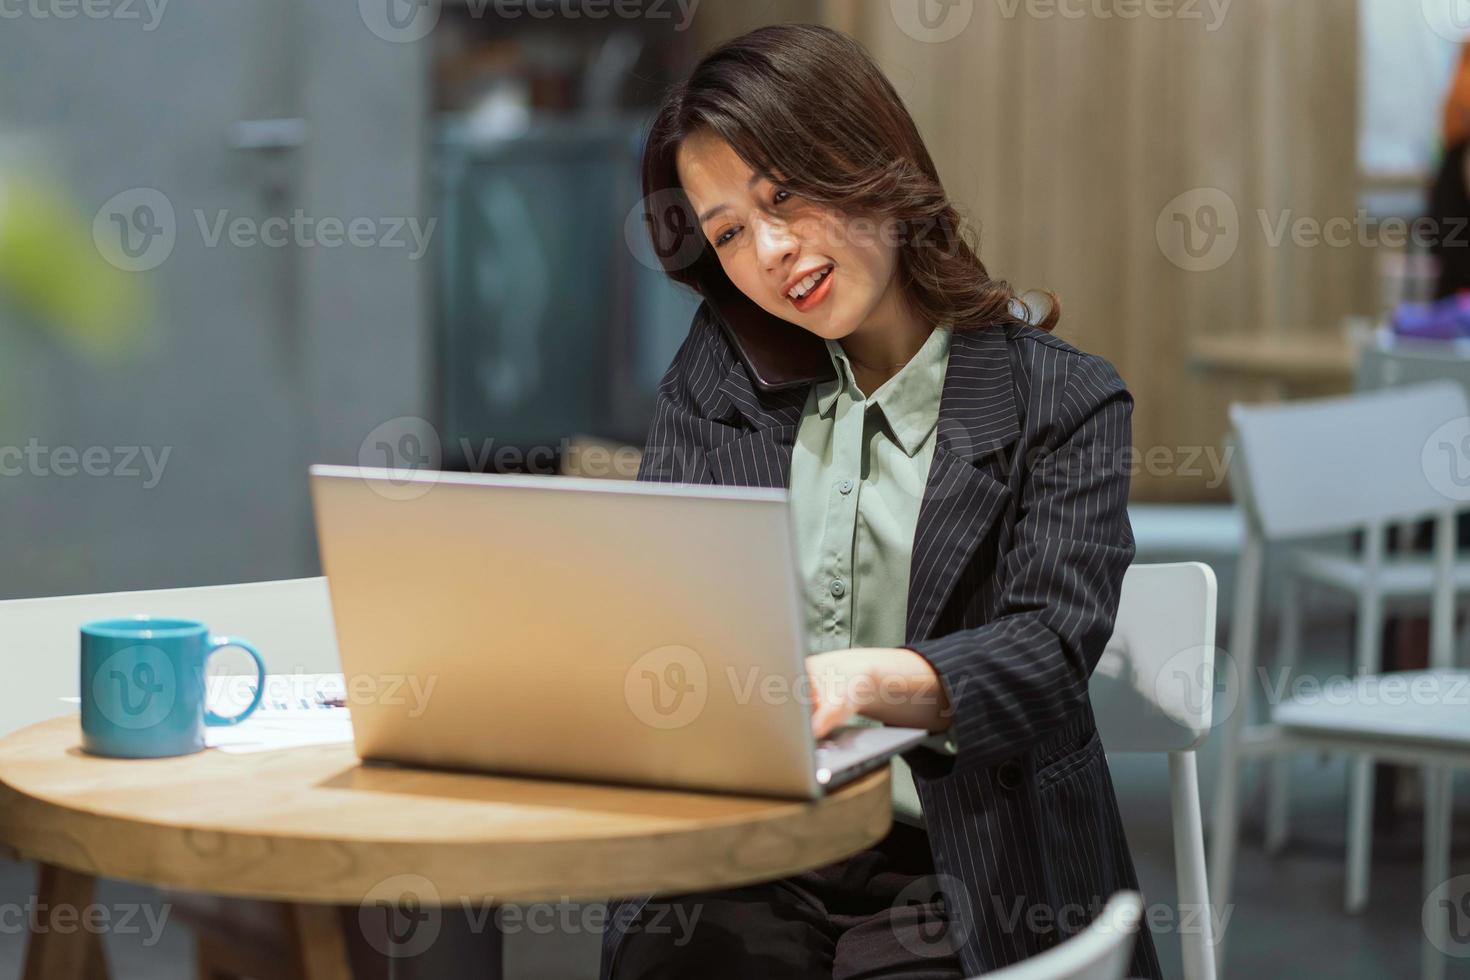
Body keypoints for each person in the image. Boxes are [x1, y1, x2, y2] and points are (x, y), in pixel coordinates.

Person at [601, 23, 1162, 980]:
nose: (771, 251)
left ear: (871, 162)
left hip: (960, 865)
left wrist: (861, 683)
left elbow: (1047, 648)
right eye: (730, 232)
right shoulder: (718, 379)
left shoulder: (1061, 400)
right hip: (756, 851)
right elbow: (666, 611)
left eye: (787, 197)